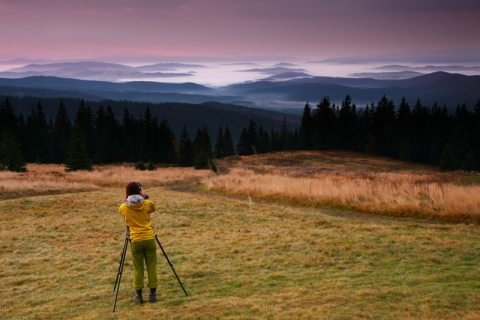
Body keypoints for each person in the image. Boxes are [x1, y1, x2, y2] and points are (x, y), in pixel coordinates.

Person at [119, 182, 158, 304]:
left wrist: (127, 197)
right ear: (139, 190)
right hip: (149, 238)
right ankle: (152, 294)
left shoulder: (123, 207)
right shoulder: (147, 204)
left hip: (135, 240)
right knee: (151, 266)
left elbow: (123, 210)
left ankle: (138, 295)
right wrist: (144, 195)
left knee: (138, 268)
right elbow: (152, 206)